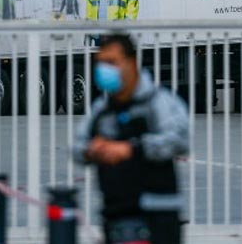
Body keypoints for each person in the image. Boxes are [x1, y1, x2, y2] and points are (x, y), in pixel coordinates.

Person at [74, 33, 189, 244]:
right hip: (115, 217)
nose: (104, 70)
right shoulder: (102, 110)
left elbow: (179, 139)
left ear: (131, 63)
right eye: (101, 63)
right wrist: (92, 150)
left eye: (111, 62)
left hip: (157, 218)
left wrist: (132, 149)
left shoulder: (157, 102)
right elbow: (77, 147)